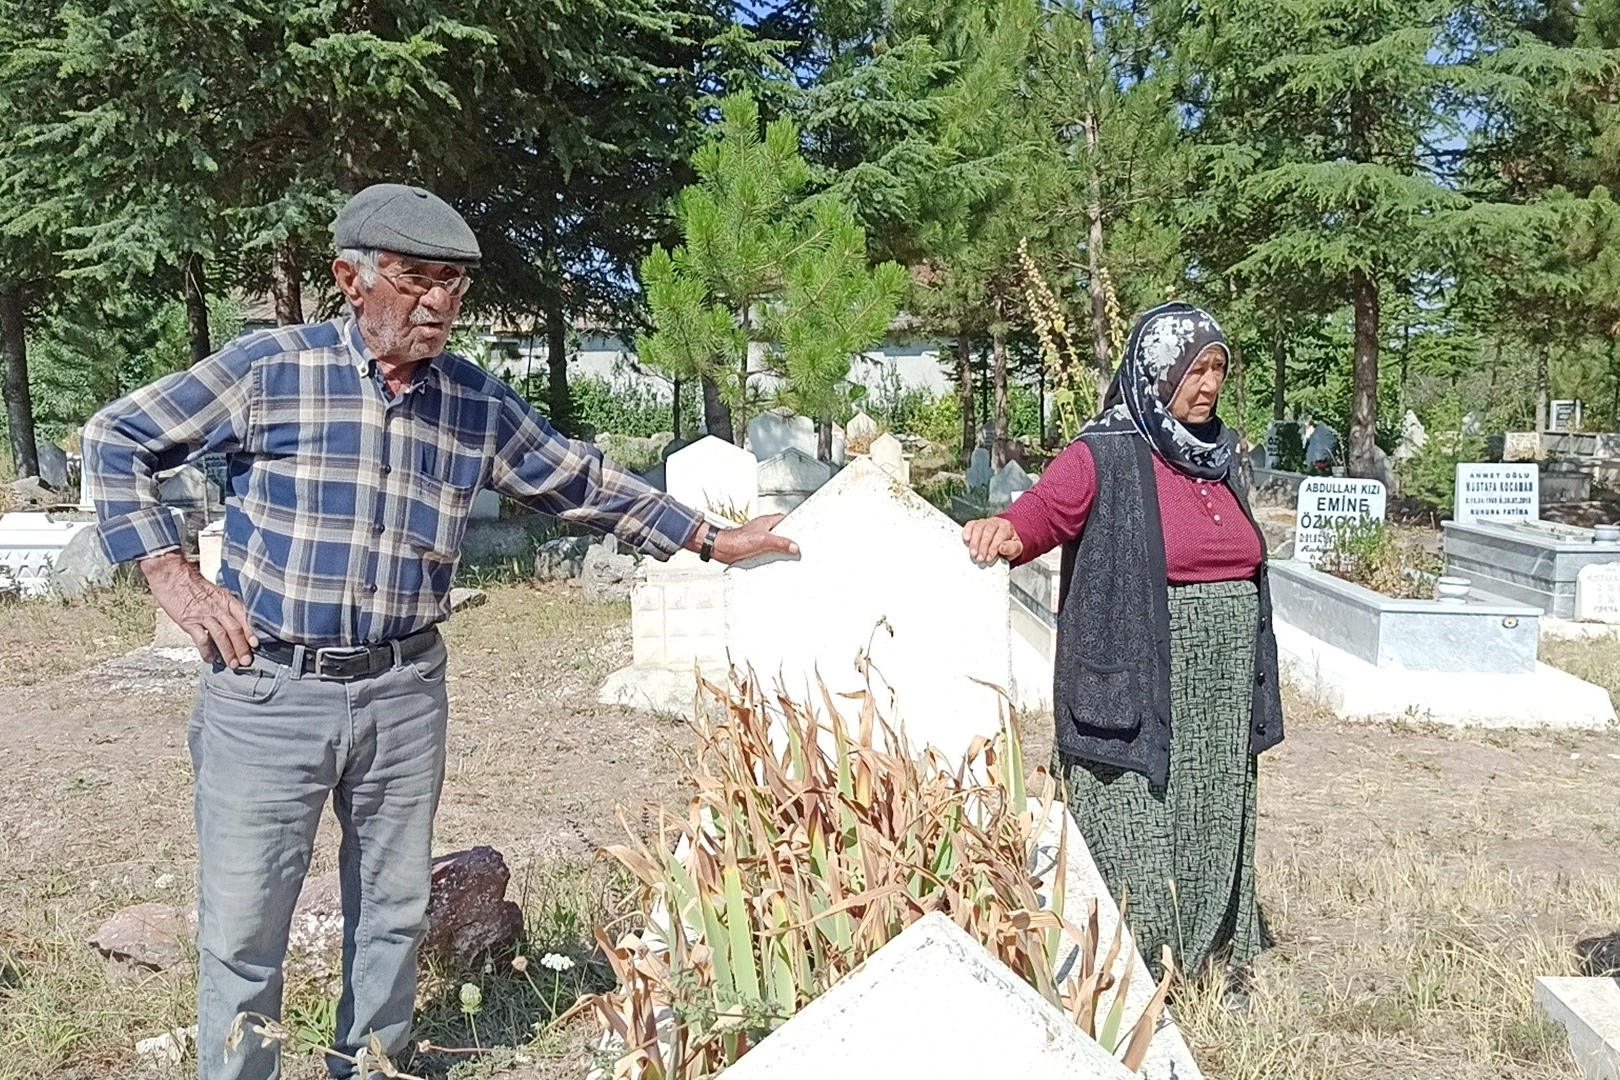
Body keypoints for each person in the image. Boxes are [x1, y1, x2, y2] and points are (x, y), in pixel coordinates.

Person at [82, 183, 796, 1080]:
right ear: (352, 278)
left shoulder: (472, 402)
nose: (439, 304)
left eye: (454, 285)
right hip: (269, 688)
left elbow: (577, 479)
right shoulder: (272, 370)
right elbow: (116, 438)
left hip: (403, 690)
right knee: (243, 923)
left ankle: (371, 1067)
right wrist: (172, 576)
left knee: (389, 908)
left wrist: (708, 536)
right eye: (418, 280)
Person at [961, 302, 1283, 995]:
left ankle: (1208, 952)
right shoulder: (1103, 452)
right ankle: (1135, 964)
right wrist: (1003, 532)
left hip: (1222, 681)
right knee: (1136, 808)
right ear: (1155, 372)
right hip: (1138, 669)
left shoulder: (1222, 456)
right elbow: (1043, 514)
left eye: (1217, 369)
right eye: (1194, 370)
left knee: (1212, 807)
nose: (1207, 386)